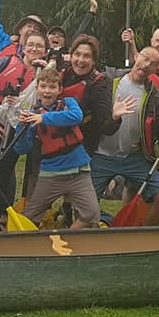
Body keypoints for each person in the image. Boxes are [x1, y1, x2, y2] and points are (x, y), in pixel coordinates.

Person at [92, 48, 159, 225]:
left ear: (155, 70)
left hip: (133, 157)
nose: (146, 65)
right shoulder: (109, 79)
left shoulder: (154, 94)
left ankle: (141, 234)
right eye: (145, 59)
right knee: (83, 203)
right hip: (101, 155)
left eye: (152, 64)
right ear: (136, 56)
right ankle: (107, 221)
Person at [0, 30, 50, 231]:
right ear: (24, 47)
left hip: (16, 132)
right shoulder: (6, 62)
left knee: (4, 179)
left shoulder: (45, 73)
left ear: (45, 51)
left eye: (39, 46)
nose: (34, 49)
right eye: (31, 45)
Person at [13, 65, 102, 228]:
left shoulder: (69, 103)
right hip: (52, 172)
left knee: (91, 215)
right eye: (43, 86)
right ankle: (28, 246)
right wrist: (21, 127)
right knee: (30, 216)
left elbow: (77, 116)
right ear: (38, 88)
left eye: (52, 87)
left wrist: (44, 117)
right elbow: (22, 149)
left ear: (60, 89)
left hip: (78, 170)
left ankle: (65, 241)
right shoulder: (31, 113)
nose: (47, 91)